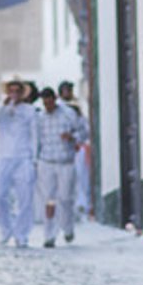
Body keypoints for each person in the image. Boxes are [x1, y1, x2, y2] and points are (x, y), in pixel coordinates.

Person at [0, 75, 40, 247]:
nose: (14, 93)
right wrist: (5, 104)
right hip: (2, 157)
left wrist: (34, 158)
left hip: (23, 157)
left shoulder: (29, 111)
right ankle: (5, 229)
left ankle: (22, 233)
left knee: (25, 198)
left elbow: (34, 136)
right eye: (11, 90)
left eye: (18, 90)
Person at [33, 86, 86, 248]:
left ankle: (68, 228)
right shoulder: (39, 118)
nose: (47, 106)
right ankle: (49, 234)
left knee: (65, 198)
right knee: (49, 199)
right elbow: (35, 141)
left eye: (50, 102)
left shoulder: (68, 114)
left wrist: (72, 137)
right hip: (46, 162)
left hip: (65, 162)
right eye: (45, 103)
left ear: (55, 99)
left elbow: (84, 133)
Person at [60, 82, 93, 221]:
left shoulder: (76, 108)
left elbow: (84, 130)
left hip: (77, 149)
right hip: (60, 152)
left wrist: (74, 138)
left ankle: (81, 205)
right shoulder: (58, 110)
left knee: (81, 178)